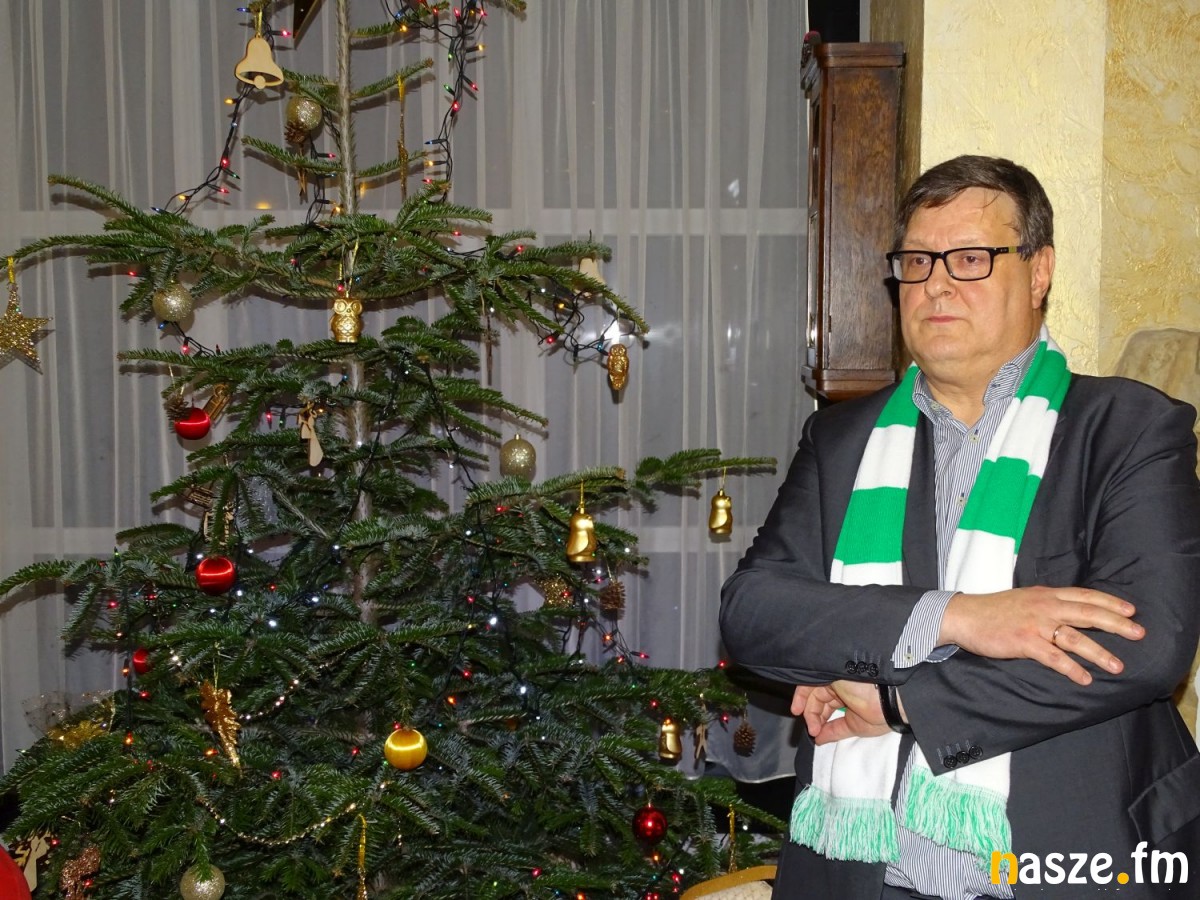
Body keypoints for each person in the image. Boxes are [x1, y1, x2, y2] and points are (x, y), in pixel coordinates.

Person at [720, 155, 1200, 900]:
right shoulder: (841, 440)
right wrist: (961, 618)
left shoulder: (1127, 429)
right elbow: (753, 615)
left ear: (1039, 272)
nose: (937, 283)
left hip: (1069, 862)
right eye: (917, 261)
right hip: (863, 874)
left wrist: (895, 702)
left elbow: (1143, 647)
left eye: (971, 258)